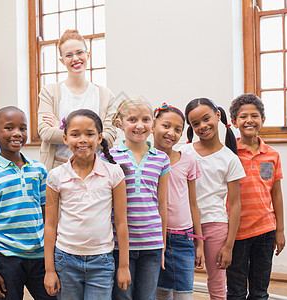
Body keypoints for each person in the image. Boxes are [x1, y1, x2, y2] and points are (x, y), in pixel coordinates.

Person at [44, 109, 130, 299]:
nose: (82, 139)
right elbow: (50, 225)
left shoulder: (114, 173)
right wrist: (49, 270)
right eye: (75, 134)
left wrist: (123, 266)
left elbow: (121, 222)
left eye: (89, 134)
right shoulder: (56, 176)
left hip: (102, 261)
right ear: (65, 139)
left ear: (100, 138)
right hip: (65, 259)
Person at [0, 106, 55, 300]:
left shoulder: (39, 170)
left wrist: (51, 258)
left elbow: (46, 214)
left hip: (40, 256)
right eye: (9, 128)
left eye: (23, 128)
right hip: (6, 257)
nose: (17, 133)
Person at [179, 98, 245, 300]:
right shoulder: (184, 152)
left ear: (218, 116)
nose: (202, 126)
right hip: (185, 226)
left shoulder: (230, 158)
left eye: (206, 119)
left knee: (216, 284)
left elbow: (234, 205)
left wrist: (229, 246)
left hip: (215, 226)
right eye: (195, 124)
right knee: (180, 281)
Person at [108, 98, 170, 300]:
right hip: (119, 244)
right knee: (122, 297)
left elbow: (162, 204)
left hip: (152, 244)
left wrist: (162, 245)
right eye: (132, 119)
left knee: (147, 297)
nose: (139, 125)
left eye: (145, 119)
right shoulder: (109, 157)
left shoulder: (161, 158)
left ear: (153, 123)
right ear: (120, 122)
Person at [226, 94, 285, 299]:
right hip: (237, 233)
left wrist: (280, 230)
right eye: (243, 116)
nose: (249, 120)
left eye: (254, 115)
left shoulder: (272, 154)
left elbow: (276, 193)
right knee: (236, 291)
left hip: (266, 231)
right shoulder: (229, 154)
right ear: (234, 122)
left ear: (263, 120)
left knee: (260, 291)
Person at [37, 29, 117, 171]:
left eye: (79, 52)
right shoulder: (49, 92)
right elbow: (46, 133)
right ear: (62, 61)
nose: (75, 58)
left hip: (96, 168)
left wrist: (62, 129)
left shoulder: (105, 95)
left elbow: (109, 138)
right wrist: (93, 135)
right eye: (69, 55)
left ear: (88, 54)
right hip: (58, 167)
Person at [152, 103, 204, 300]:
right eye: (166, 126)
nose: (171, 133)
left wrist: (198, 244)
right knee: (160, 293)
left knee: (184, 294)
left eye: (177, 129)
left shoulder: (188, 161)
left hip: (183, 238)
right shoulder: (146, 160)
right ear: (153, 125)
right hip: (154, 237)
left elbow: (193, 203)